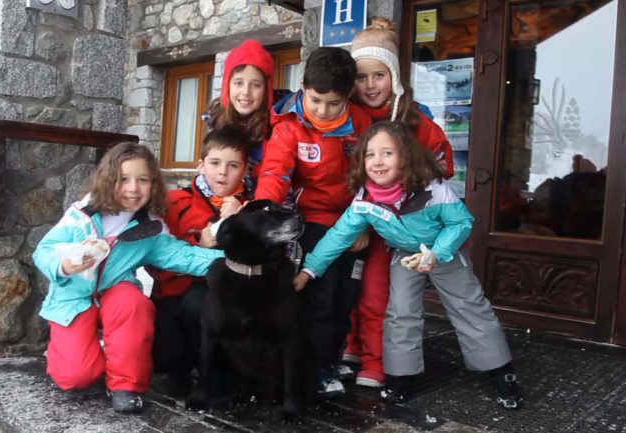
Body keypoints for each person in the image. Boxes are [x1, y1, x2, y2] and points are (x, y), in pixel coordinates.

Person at [293, 121, 522, 410]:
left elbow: (462, 222)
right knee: (400, 311)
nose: (377, 161)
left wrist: (437, 254)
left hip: (443, 250)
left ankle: (502, 372)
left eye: (387, 153)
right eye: (370, 154)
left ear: (406, 157)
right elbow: (337, 237)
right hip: (406, 254)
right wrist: (308, 270)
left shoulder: (433, 188)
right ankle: (401, 377)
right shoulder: (365, 199)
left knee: (468, 306)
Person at [32, 142, 224, 413]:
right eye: (124, 179)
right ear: (109, 180)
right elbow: (44, 250)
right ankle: (70, 351)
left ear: (153, 185)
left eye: (143, 180)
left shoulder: (149, 229)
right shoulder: (81, 215)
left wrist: (233, 262)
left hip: (115, 289)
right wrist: (64, 264)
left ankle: (126, 384)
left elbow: (184, 256)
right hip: (73, 296)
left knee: (133, 303)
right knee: (77, 376)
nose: (133, 188)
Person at [342, 17, 455, 388]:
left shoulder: (413, 118)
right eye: (361, 77)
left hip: (397, 227)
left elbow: (442, 165)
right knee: (348, 289)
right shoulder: (346, 116)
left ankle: (376, 361)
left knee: (378, 295)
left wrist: (411, 191)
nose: (370, 85)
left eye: (379, 75)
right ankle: (351, 347)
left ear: (394, 76)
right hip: (356, 222)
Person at [254, 46, 372, 398]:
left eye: (333, 103)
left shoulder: (362, 124)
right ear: (303, 86)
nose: (322, 110)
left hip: (354, 225)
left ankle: (332, 357)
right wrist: (263, 213)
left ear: (348, 96)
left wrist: (364, 223)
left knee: (345, 296)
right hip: (314, 224)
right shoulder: (289, 127)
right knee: (320, 296)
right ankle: (317, 365)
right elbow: (275, 173)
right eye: (316, 100)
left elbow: (374, 177)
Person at [148, 126, 255, 394]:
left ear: (244, 170)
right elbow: (156, 253)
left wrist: (236, 221)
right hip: (175, 290)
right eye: (215, 163)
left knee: (207, 305)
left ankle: (219, 371)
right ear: (200, 165)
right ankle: (179, 369)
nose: (223, 172)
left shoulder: (251, 207)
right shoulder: (175, 201)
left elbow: (255, 255)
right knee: (176, 321)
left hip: (227, 294)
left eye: (233, 165)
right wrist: (198, 242)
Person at [205, 39, 277, 193]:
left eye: (256, 85)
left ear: (266, 90)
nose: (246, 92)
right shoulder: (217, 122)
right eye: (238, 83)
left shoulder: (278, 124)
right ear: (227, 85)